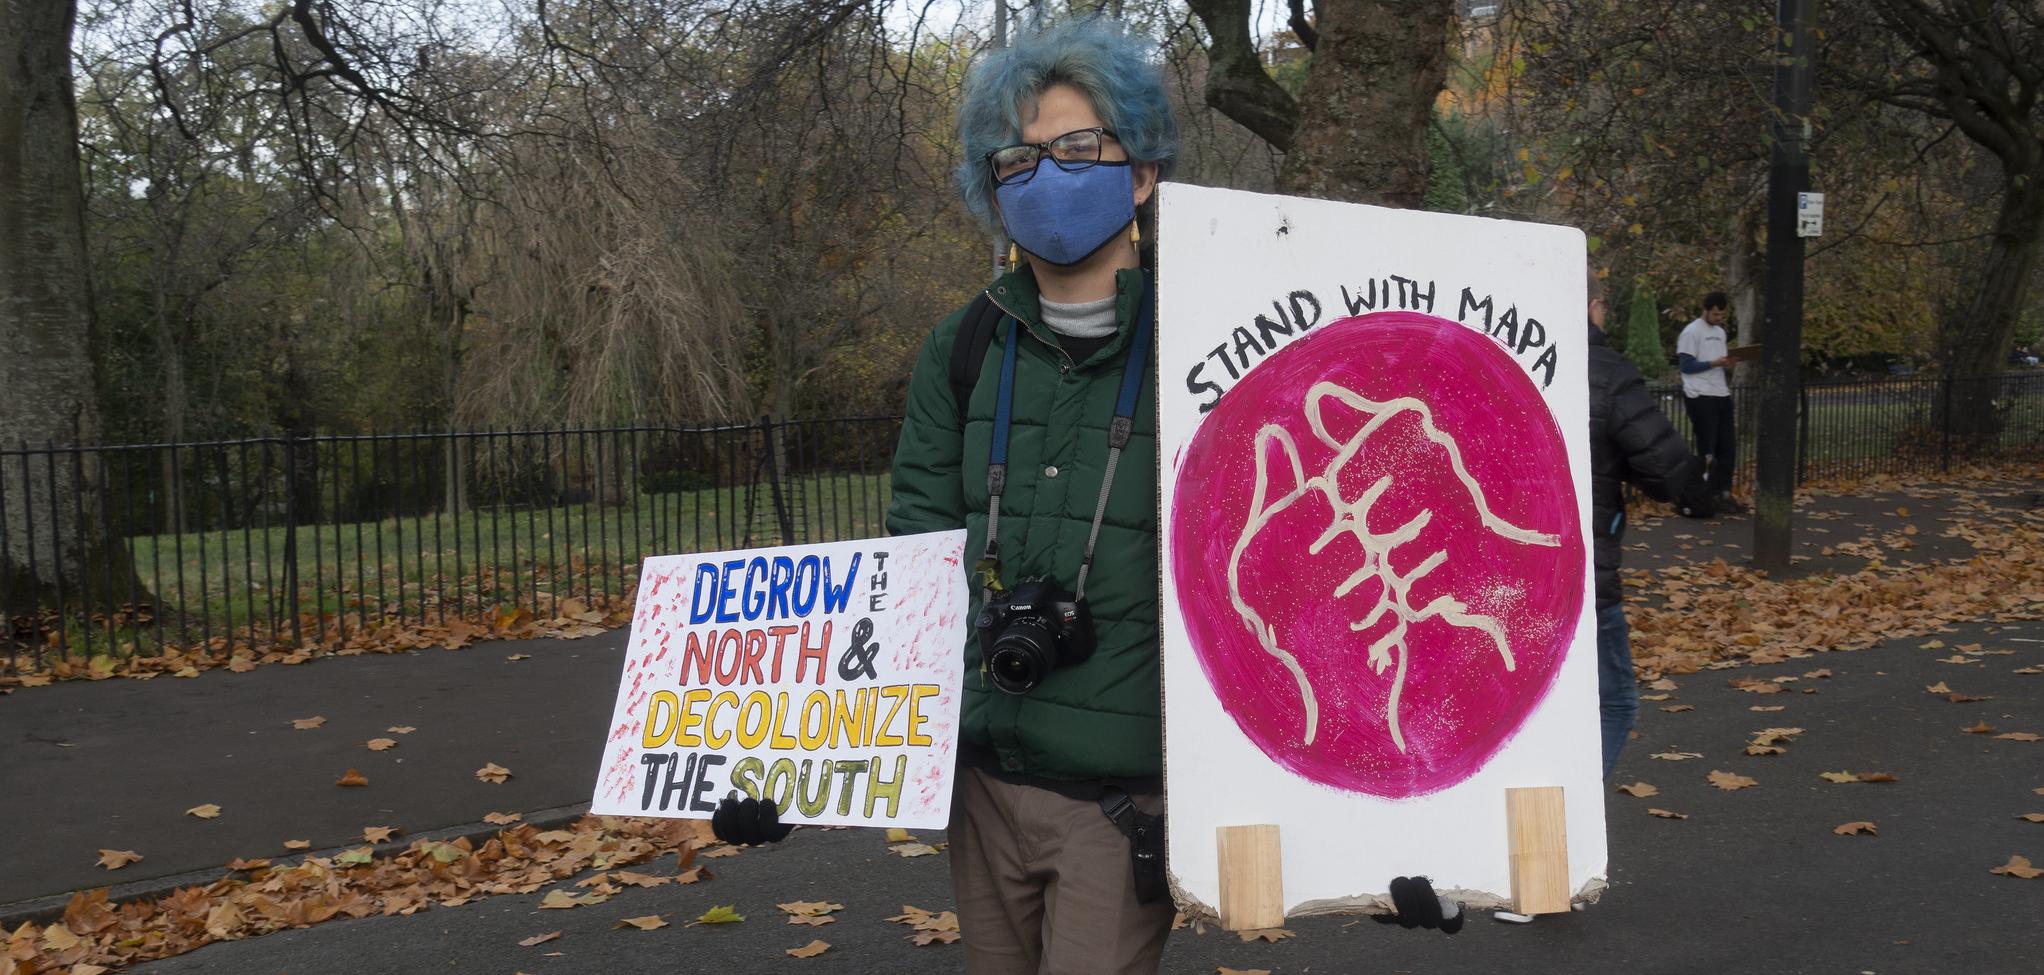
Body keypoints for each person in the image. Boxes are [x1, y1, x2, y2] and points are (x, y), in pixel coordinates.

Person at [1590, 275, 1712, 777]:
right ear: (1593, 305)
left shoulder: (1474, 356)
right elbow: (1666, 471)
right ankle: (1572, 820)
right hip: (1582, 580)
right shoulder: (1604, 371)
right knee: (1615, 704)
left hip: (1471, 578)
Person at [1675, 291, 1743, 513]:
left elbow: (1718, 361)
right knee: (1708, 449)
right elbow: (1686, 365)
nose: (1718, 318)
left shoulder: (1721, 333)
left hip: (1720, 393)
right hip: (1700, 395)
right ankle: (1703, 494)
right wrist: (1714, 363)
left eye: (1721, 315)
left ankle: (1722, 492)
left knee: (1727, 448)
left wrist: (1726, 363)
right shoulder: (1691, 332)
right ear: (1706, 310)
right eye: (1715, 314)